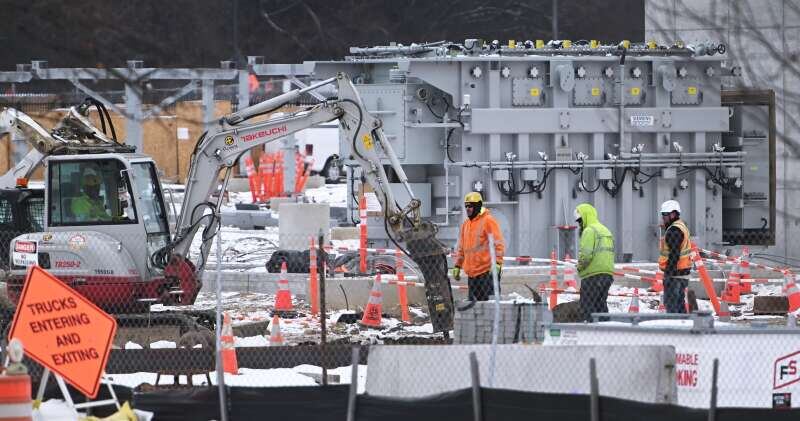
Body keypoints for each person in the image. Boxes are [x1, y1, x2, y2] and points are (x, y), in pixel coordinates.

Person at [451, 192, 505, 301]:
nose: (467, 209)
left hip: (487, 273)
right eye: (466, 206)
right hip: (472, 275)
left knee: (489, 307)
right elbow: (462, 248)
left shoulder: (488, 221)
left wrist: (498, 263)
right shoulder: (466, 224)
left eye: (470, 206)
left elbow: (498, 243)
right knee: (474, 308)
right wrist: (457, 265)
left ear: (478, 205)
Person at [574, 203, 615, 322]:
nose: (579, 224)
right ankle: (605, 331)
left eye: (580, 220)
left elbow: (586, 255)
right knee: (601, 306)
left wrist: (579, 267)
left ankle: (589, 331)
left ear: (585, 217)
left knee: (587, 307)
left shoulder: (589, 231)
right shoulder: (605, 230)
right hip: (607, 275)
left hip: (592, 276)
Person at [659, 200, 692, 313]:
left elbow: (674, 254)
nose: (663, 217)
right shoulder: (681, 226)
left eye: (665, 214)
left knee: (672, 306)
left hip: (674, 275)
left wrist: (668, 274)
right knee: (679, 304)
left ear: (673, 214)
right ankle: (683, 326)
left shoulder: (674, 230)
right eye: (662, 214)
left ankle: (675, 326)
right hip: (682, 273)